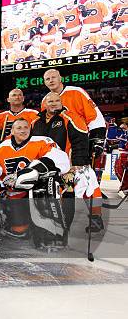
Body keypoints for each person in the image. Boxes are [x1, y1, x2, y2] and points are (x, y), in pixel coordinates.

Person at [31, 92, 102, 231]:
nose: (54, 103)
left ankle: (95, 218)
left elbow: (81, 141)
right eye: (50, 101)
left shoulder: (71, 117)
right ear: (45, 104)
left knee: (88, 184)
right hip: (47, 165)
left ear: (61, 102)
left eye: (57, 100)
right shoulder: (35, 122)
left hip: (70, 165)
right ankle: (51, 223)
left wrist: (78, 165)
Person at [0, 118, 70, 242]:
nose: (23, 130)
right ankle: (22, 226)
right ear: (12, 131)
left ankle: (53, 232)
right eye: (19, 128)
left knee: (46, 184)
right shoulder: (1, 149)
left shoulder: (42, 141)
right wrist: (3, 187)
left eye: (26, 127)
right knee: (19, 229)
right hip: (15, 194)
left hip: (37, 190)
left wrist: (32, 170)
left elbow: (61, 159)